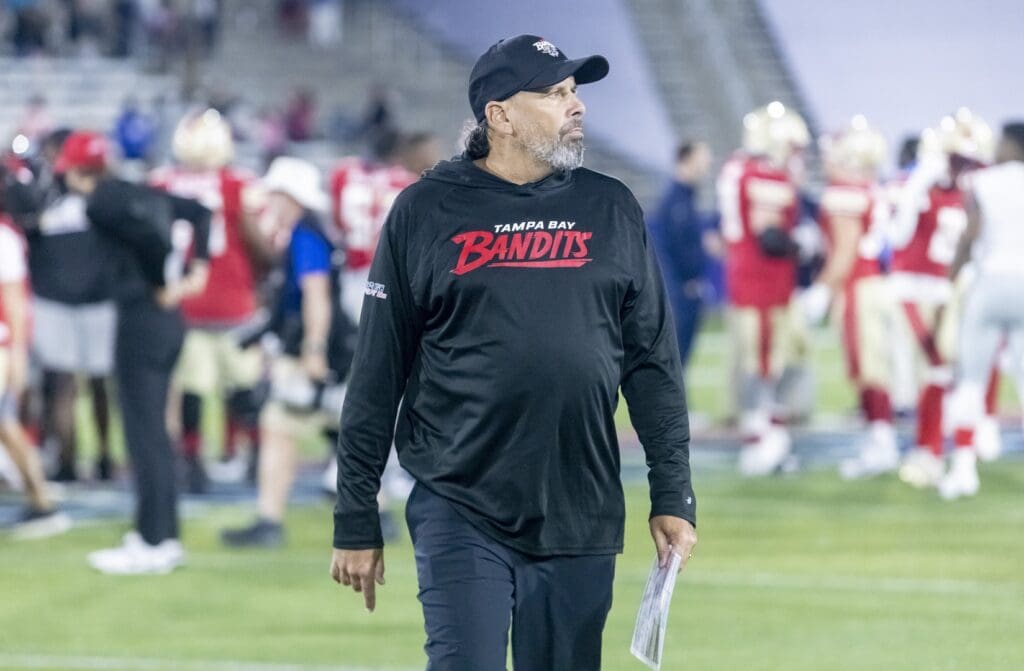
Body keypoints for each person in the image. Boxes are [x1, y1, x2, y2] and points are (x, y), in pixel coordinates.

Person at [330, 35, 697, 669]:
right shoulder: (425, 210)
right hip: (460, 497)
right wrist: (355, 514)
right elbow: (377, 373)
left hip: (580, 503)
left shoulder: (609, 206)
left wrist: (674, 493)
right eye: (554, 93)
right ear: (499, 115)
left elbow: (651, 363)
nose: (575, 105)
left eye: (574, 91)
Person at [54, 131, 212, 574]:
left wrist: (162, 282)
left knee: (144, 435)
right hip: (164, 323)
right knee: (154, 434)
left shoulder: (100, 201)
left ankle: (153, 540)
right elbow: (200, 213)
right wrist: (193, 271)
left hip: (143, 318)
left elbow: (150, 239)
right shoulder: (137, 190)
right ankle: (162, 534)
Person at [221, 156, 348, 547]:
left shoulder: (305, 236)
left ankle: (270, 520)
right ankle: (374, 513)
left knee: (279, 428)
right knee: (344, 432)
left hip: (314, 349)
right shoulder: (313, 230)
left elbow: (315, 292)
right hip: (334, 348)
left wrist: (313, 347)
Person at [150, 109, 264, 492]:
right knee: (245, 388)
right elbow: (256, 242)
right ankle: (254, 457)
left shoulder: (163, 183)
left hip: (188, 298)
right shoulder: (236, 184)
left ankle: (193, 462)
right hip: (233, 298)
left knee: (194, 389)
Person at [890, 110, 994, 488]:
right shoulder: (918, 186)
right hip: (911, 288)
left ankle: (934, 449)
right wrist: (920, 181)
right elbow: (899, 237)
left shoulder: (968, 194)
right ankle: (927, 449)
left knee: (945, 371)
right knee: (930, 370)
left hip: (946, 289)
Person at [12, 129, 117, 482]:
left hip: (72, 299)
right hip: (79, 299)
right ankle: (88, 458)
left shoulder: (84, 195)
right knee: (75, 385)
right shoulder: (55, 193)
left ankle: (82, 460)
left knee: (73, 385)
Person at [802, 117, 898, 479]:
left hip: (859, 287)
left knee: (868, 368)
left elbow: (844, 252)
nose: (827, 159)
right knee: (870, 367)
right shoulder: (870, 187)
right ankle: (879, 440)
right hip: (872, 284)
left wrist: (822, 289)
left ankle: (881, 442)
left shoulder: (844, 191)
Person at [717, 102, 808, 477]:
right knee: (764, 361)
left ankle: (768, 438)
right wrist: (803, 245)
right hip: (761, 278)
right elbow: (769, 235)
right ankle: (762, 442)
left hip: (757, 276)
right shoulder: (760, 175)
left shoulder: (739, 169)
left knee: (770, 359)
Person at [942, 121, 1024, 499]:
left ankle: (963, 468)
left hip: (991, 282)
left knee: (971, 380)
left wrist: (953, 276)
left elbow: (970, 234)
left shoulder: (986, 183)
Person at [0, 175, 71, 540]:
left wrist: (16, 354)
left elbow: (13, 302)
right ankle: (39, 500)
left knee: (6, 425)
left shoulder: (5, 239)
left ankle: (42, 502)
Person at [647, 141, 713, 368]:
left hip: (687, 289)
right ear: (687, 159)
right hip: (679, 292)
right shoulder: (674, 201)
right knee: (673, 357)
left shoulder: (686, 198)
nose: (707, 164)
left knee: (680, 358)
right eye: (702, 158)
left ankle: (680, 402)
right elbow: (667, 250)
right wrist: (681, 286)